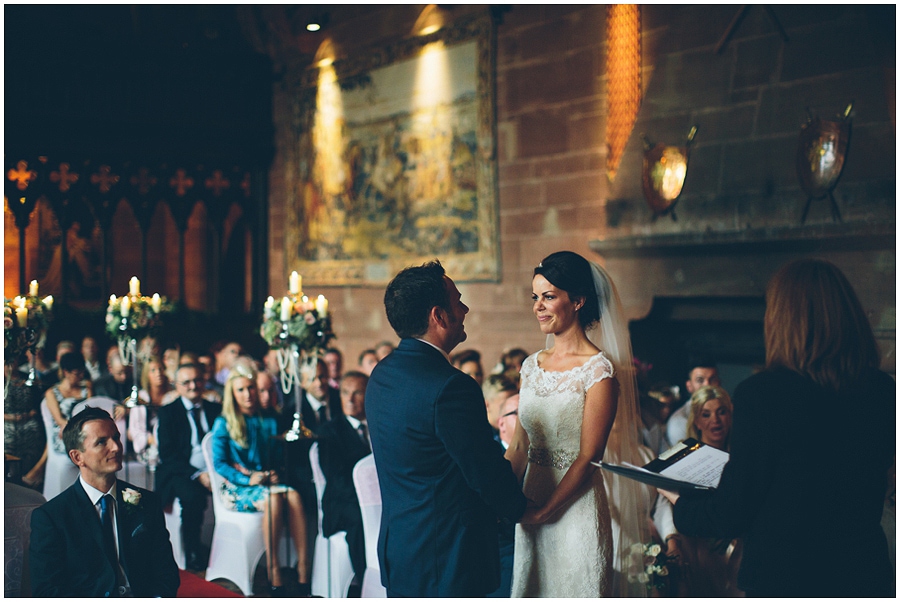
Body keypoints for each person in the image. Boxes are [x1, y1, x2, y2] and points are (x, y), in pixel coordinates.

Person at [660, 258, 895, 597]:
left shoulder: (763, 395)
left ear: (781, 320)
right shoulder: (882, 390)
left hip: (788, 579)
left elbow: (732, 514)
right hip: (863, 573)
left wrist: (681, 503)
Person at [366, 260, 527, 597]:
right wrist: (527, 512)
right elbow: (485, 474)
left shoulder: (382, 375)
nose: (466, 308)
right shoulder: (452, 387)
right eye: (459, 301)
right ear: (439, 316)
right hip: (450, 562)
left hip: (403, 552)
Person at [506, 251, 650, 597]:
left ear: (579, 301)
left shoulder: (598, 371)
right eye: (535, 297)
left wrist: (545, 512)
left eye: (549, 297)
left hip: (575, 509)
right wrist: (505, 501)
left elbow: (589, 457)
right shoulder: (531, 365)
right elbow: (520, 446)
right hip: (529, 504)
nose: (538, 306)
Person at [29, 406, 179, 596]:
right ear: (77, 457)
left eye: (116, 437)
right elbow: (48, 590)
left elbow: (166, 573)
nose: (116, 447)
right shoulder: (52, 517)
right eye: (102, 442)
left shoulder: (147, 502)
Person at [210, 360, 310, 597]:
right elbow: (219, 464)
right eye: (241, 390)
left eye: (250, 388)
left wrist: (273, 472)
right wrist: (247, 478)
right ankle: (273, 570)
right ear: (232, 394)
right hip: (237, 487)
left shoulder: (270, 419)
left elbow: (274, 458)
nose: (247, 394)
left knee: (294, 496)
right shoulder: (224, 422)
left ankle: (304, 571)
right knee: (274, 501)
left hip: (266, 482)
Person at [661, 386, 742, 597]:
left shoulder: (740, 458)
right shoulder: (683, 456)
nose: (715, 420)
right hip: (694, 546)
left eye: (721, 412)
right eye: (706, 414)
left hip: (734, 547)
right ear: (697, 421)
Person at [155, 362, 222, 571]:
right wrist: (198, 474)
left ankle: (225, 550)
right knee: (192, 497)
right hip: (181, 471)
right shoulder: (168, 413)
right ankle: (193, 550)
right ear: (177, 386)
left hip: (217, 469)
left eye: (198, 380)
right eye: (187, 382)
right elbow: (168, 455)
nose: (193, 386)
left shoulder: (215, 409)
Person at [317, 371, 372, 595]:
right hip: (343, 504)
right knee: (361, 520)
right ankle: (366, 582)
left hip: (379, 498)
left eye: (357, 393)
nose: (350, 399)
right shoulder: (329, 432)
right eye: (346, 393)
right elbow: (336, 479)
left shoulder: (378, 426)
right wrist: (367, 500)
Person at [5, 359, 47, 489]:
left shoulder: (27, 378)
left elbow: (38, 401)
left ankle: (30, 480)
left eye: (12, 362)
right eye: (6, 363)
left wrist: (27, 415)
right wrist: (11, 417)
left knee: (33, 435)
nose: (10, 366)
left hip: (29, 422)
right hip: (7, 424)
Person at [44, 352, 92, 454]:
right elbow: (59, 420)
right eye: (77, 373)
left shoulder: (86, 389)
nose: (81, 376)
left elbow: (91, 413)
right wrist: (75, 430)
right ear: (66, 372)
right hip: (65, 432)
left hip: (86, 430)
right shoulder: (52, 393)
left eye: (82, 372)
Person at [666, 358, 721, 445]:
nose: (707, 385)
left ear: (719, 383)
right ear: (689, 386)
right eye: (700, 380)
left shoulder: (731, 411)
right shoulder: (679, 421)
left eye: (712, 379)